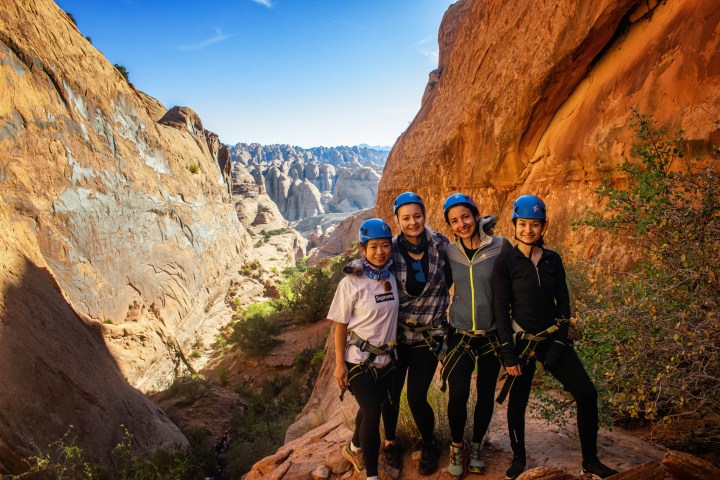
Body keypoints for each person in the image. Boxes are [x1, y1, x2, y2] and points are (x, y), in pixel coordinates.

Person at [492, 194, 619, 479]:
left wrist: (558, 346)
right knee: (518, 403)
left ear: (543, 227)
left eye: (535, 224)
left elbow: (563, 305)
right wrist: (507, 354)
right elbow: (500, 309)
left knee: (587, 393)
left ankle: (590, 461)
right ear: (514, 225)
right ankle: (519, 458)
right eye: (523, 224)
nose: (528, 230)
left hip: (551, 337)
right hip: (522, 343)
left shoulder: (552, 260)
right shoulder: (506, 262)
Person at [440, 193, 512, 479]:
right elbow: (441, 287)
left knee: (485, 394)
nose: (461, 224)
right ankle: (458, 446)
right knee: (457, 394)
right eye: (454, 220)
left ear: (475, 215)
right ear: (449, 224)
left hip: (491, 334)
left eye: (465, 217)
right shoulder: (450, 252)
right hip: (460, 333)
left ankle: (478, 446)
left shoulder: (500, 247)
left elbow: (512, 284)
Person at [380, 192, 450, 475]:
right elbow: (369, 267)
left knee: (417, 396)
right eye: (406, 218)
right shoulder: (390, 251)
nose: (413, 222)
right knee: (390, 394)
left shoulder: (440, 245)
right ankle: (390, 442)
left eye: (417, 216)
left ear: (425, 215)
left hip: (427, 337)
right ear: (397, 220)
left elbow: (463, 265)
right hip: (395, 337)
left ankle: (429, 443)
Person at [331, 218, 399, 480]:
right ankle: (372, 475)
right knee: (373, 412)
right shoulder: (351, 283)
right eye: (373, 247)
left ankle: (354, 446)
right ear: (363, 249)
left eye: (384, 246)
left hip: (386, 361)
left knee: (368, 407)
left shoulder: (391, 276)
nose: (380, 252)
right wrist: (339, 364)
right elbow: (340, 325)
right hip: (359, 360)